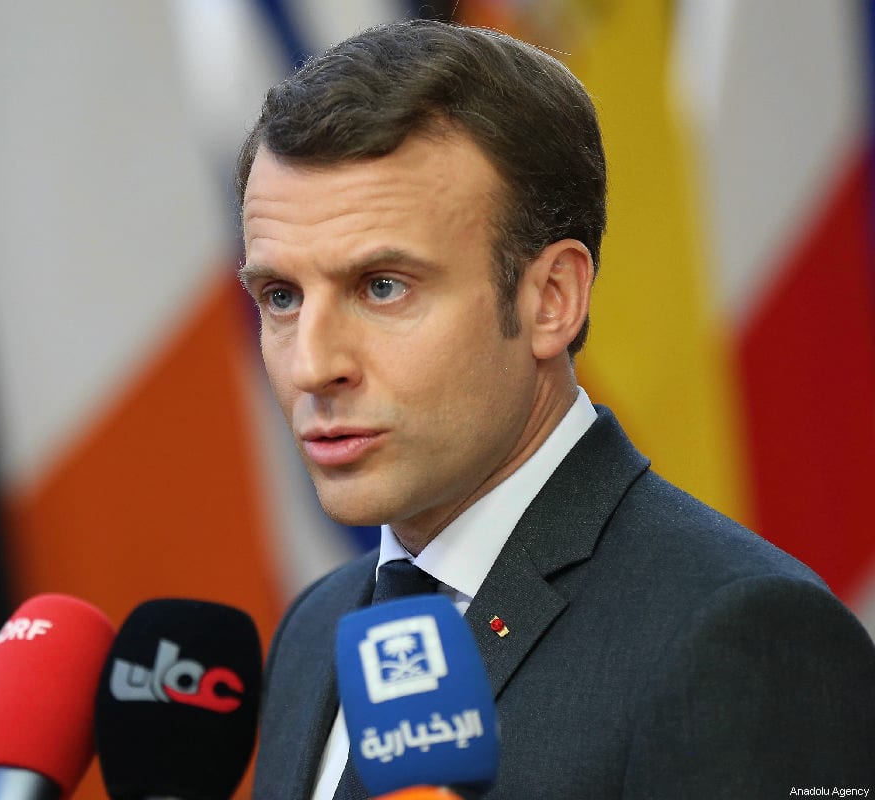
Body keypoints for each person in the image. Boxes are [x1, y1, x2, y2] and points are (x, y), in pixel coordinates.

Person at [234, 18, 875, 799]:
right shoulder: (316, 630)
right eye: (280, 297)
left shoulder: (741, 634)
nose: (312, 365)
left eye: (382, 287)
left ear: (551, 301)